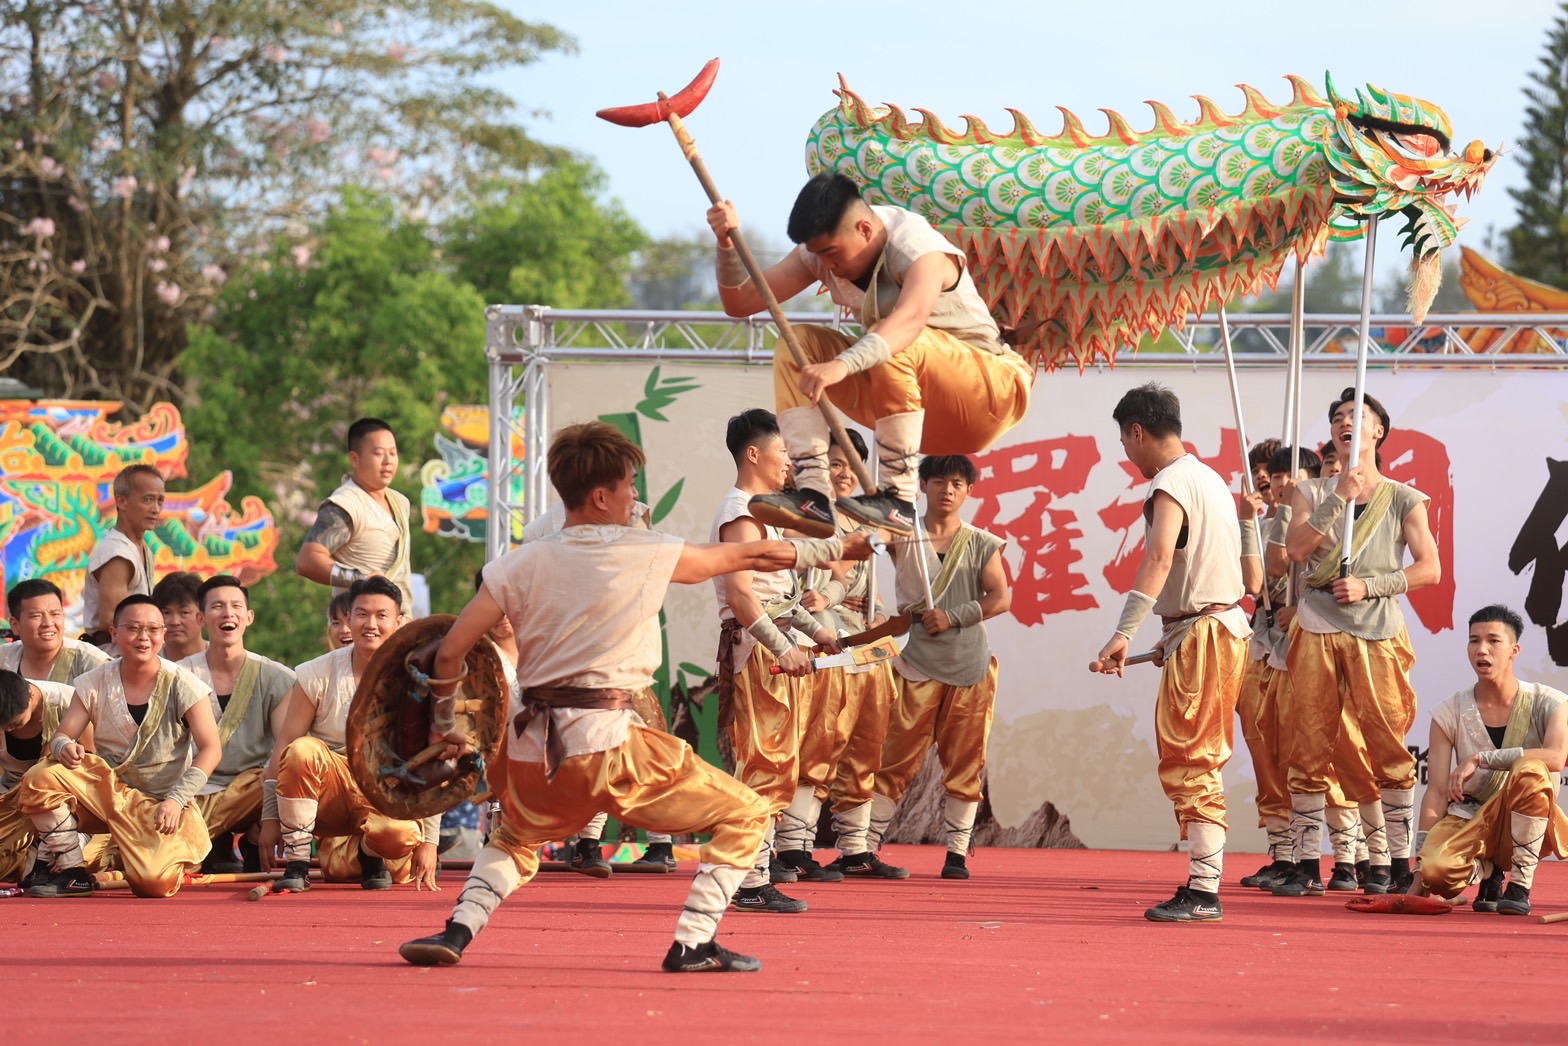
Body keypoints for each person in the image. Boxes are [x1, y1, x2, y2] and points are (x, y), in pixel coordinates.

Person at [397, 421, 872, 972]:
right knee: (746, 811)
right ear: (600, 496)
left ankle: (457, 931)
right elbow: (748, 558)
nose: (635, 498)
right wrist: (840, 546)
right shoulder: (642, 550)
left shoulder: (515, 563)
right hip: (611, 745)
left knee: (514, 836)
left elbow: (449, 653)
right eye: (627, 485)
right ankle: (694, 942)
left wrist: (440, 725)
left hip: (531, 755)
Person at [708, 172, 1033, 538]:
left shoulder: (916, 244)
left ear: (864, 228)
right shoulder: (820, 256)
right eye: (818, 256)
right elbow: (740, 301)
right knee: (796, 345)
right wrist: (726, 245)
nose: (826, 267)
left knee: (889, 337)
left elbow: (909, 322)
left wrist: (841, 365)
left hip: (989, 395)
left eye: (831, 253)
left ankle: (898, 498)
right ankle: (813, 494)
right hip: (914, 410)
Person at [1094, 384, 1250, 922]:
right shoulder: (1210, 479)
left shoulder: (1170, 482)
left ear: (1138, 431)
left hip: (1205, 634)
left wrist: (1124, 633)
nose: (1126, 453)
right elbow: (1226, 577)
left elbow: (1159, 558)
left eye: (1124, 440)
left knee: (1193, 758)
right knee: (1196, 756)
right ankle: (1203, 886)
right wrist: (1169, 636)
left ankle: (1205, 891)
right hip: (1215, 628)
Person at [1280, 389, 1440, 896]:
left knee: (1388, 741)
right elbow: (1296, 550)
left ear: (1378, 431)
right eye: (1337, 418)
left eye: (1357, 417)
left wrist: (1371, 585)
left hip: (1376, 629)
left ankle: (1397, 862)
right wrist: (1338, 498)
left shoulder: (1403, 497)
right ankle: (1307, 865)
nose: (1346, 423)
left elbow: (1429, 569)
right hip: (1317, 624)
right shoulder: (1312, 492)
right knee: (1309, 738)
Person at [711, 409, 841, 911]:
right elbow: (744, 599)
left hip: (779, 649)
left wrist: (817, 633)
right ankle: (749, 882)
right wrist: (784, 648)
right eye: (783, 450)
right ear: (754, 454)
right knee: (763, 764)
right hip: (760, 652)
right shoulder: (739, 513)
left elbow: (779, 597)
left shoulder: (765, 512)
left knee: (779, 766)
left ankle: (754, 875)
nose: (789, 460)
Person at [18, 594, 221, 897]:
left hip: (161, 805)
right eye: (134, 628)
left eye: (153, 629)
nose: (144, 638)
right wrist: (63, 748)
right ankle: (73, 872)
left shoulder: (183, 683)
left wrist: (177, 800)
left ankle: (140, 854)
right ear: (114, 634)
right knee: (41, 776)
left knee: (153, 884)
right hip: (108, 794)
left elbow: (211, 749)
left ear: (163, 635)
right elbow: (62, 736)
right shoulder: (93, 681)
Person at [868, 455, 1011, 880]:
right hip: (914, 662)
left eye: (956, 483)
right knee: (893, 757)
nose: (947, 490)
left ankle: (956, 853)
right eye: (938, 481)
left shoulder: (983, 542)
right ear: (923, 486)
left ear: (968, 491)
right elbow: (859, 549)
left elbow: (1000, 597)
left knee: (966, 762)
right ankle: (864, 846)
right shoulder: (902, 536)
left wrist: (955, 615)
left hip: (969, 665)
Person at [260, 575, 438, 893]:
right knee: (302, 749)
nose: (370, 623)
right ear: (349, 619)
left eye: (381, 615)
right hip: (330, 792)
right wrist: (270, 818)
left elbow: (433, 762)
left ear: (400, 622)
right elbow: (284, 745)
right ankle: (297, 863)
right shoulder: (316, 672)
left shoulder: (419, 680)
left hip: (384, 794)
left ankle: (368, 855)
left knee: (401, 837)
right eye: (361, 614)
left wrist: (431, 841)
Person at [1411, 605, 1568, 915]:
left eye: (1493, 641)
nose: (1482, 649)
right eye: (1474, 641)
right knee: (1435, 873)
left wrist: (1481, 758)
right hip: (1469, 818)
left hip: (1520, 821)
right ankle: (1488, 870)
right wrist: (1419, 872)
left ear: (1514, 650)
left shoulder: (1550, 701)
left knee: (1531, 769)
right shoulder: (1449, 712)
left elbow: (1556, 757)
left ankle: (1519, 885)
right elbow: (1437, 792)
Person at [803, 433, 909, 880]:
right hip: (827, 644)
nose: (843, 471)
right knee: (822, 742)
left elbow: (872, 594)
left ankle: (855, 849)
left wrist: (881, 621)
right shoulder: (811, 522)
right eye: (835, 463)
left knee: (867, 744)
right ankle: (794, 847)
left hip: (865, 648)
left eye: (851, 464)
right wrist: (828, 600)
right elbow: (816, 589)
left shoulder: (864, 525)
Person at [177, 575, 295, 874]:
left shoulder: (276, 677)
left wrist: (270, 817)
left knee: (289, 766)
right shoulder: (178, 675)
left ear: (249, 616)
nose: (228, 613)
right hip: (194, 790)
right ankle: (212, 840)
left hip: (253, 790)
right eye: (217, 606)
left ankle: (253, 837)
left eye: (235, 606)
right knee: (173, 864)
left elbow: (286, 748)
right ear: (201, 618)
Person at [296, 417, 415, 613]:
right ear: (354, 459)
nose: (388, 461)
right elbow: (307, 561)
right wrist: (361, 579)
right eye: (378, 453)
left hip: (398, 624)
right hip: (359, 627)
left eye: (393, 453)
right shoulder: (345, 505)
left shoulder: (400, 502)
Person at [0, 671, 79, 884]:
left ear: (31, 697)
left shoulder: (69, 702)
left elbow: (94, 766)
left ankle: (62, 852)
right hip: (11, 797)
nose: (7, 729)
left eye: (15, 723)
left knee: (67, 861)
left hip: (67, 803)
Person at [82, 464, 164, 641]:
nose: (156, 509)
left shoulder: (143, 550)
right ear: (121, 502)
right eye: (148, 499)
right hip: (114, 656)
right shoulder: (118, 553)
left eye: (160, 501)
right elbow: (111, 619)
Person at [3, 579, 111, 683]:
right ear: (15, 625)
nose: (48, 623)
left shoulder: (92, 663)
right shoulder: (4, 659)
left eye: (55, 614)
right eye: (36, 616)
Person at [153, 571, 208, 663]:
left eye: (184, 612)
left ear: (202, 615)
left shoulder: (220, 659)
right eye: (166, 613)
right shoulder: (149, 662)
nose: (175, 622)